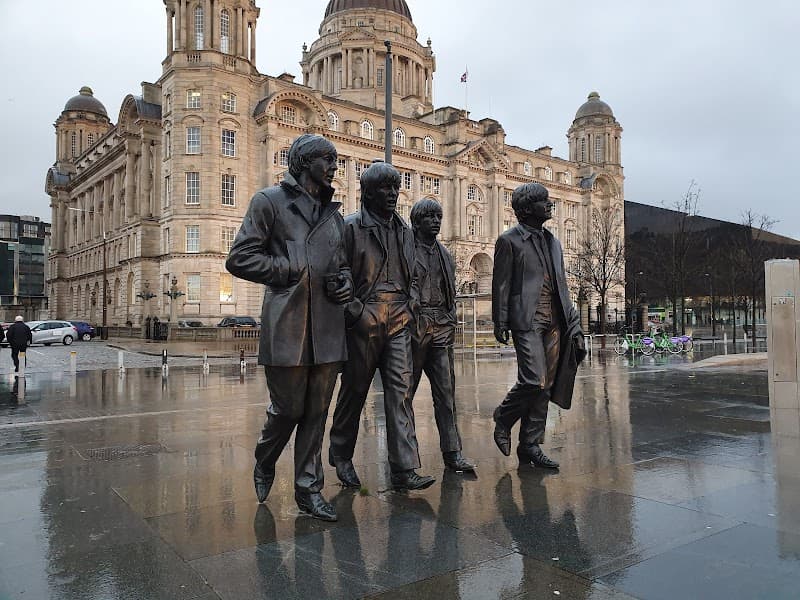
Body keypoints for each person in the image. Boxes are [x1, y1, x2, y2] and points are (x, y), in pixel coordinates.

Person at [226, 134, 353, 522]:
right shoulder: (270, 202)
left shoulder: (335, 216)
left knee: (317, 413)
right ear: (303, 162)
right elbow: (240, 258)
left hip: (329, 325)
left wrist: (345, 282)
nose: (335, 167)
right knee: (287, 410)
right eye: (327, 160)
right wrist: (287, 269)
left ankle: (308, 489)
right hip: (288, 323)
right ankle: (265, 458)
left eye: (336, 160)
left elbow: (343, 264)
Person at [328, 161, 435, 491]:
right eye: (385, 188)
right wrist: (356, 312)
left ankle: (404, 468)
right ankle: (341, 455)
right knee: (355, 391)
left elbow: (413, 274)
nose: (392, 194)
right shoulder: (349, 227)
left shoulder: (405, 231)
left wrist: (412, 302)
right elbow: (336, 275)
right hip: (365, 321)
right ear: (368, 193)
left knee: (401, 393)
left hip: (399, 320)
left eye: (395, 187)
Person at [491, 183, 586, 469]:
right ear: (527, 207)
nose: (550, 205)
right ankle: (504, 417)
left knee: (546, 387)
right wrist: (501, 319)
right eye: (544, 201)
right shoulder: (509, 240)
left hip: (556, 320)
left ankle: (530, 445)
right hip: (527, 318)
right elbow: (501, 284)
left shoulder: (553, 242)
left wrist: (575, 324)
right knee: (534, 380)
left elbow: (564, 286)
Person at [408, 198, 475, 472]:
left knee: (446, 396)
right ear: (417, 221)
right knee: (403, 397)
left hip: (441, 328)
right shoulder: (405, 249)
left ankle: (453, 452)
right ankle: (405, 461)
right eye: (429, 217)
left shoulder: (445, 255)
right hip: (415, 327)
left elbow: (450, 294)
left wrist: (449, 319)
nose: (436, 221)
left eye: (438, 216)